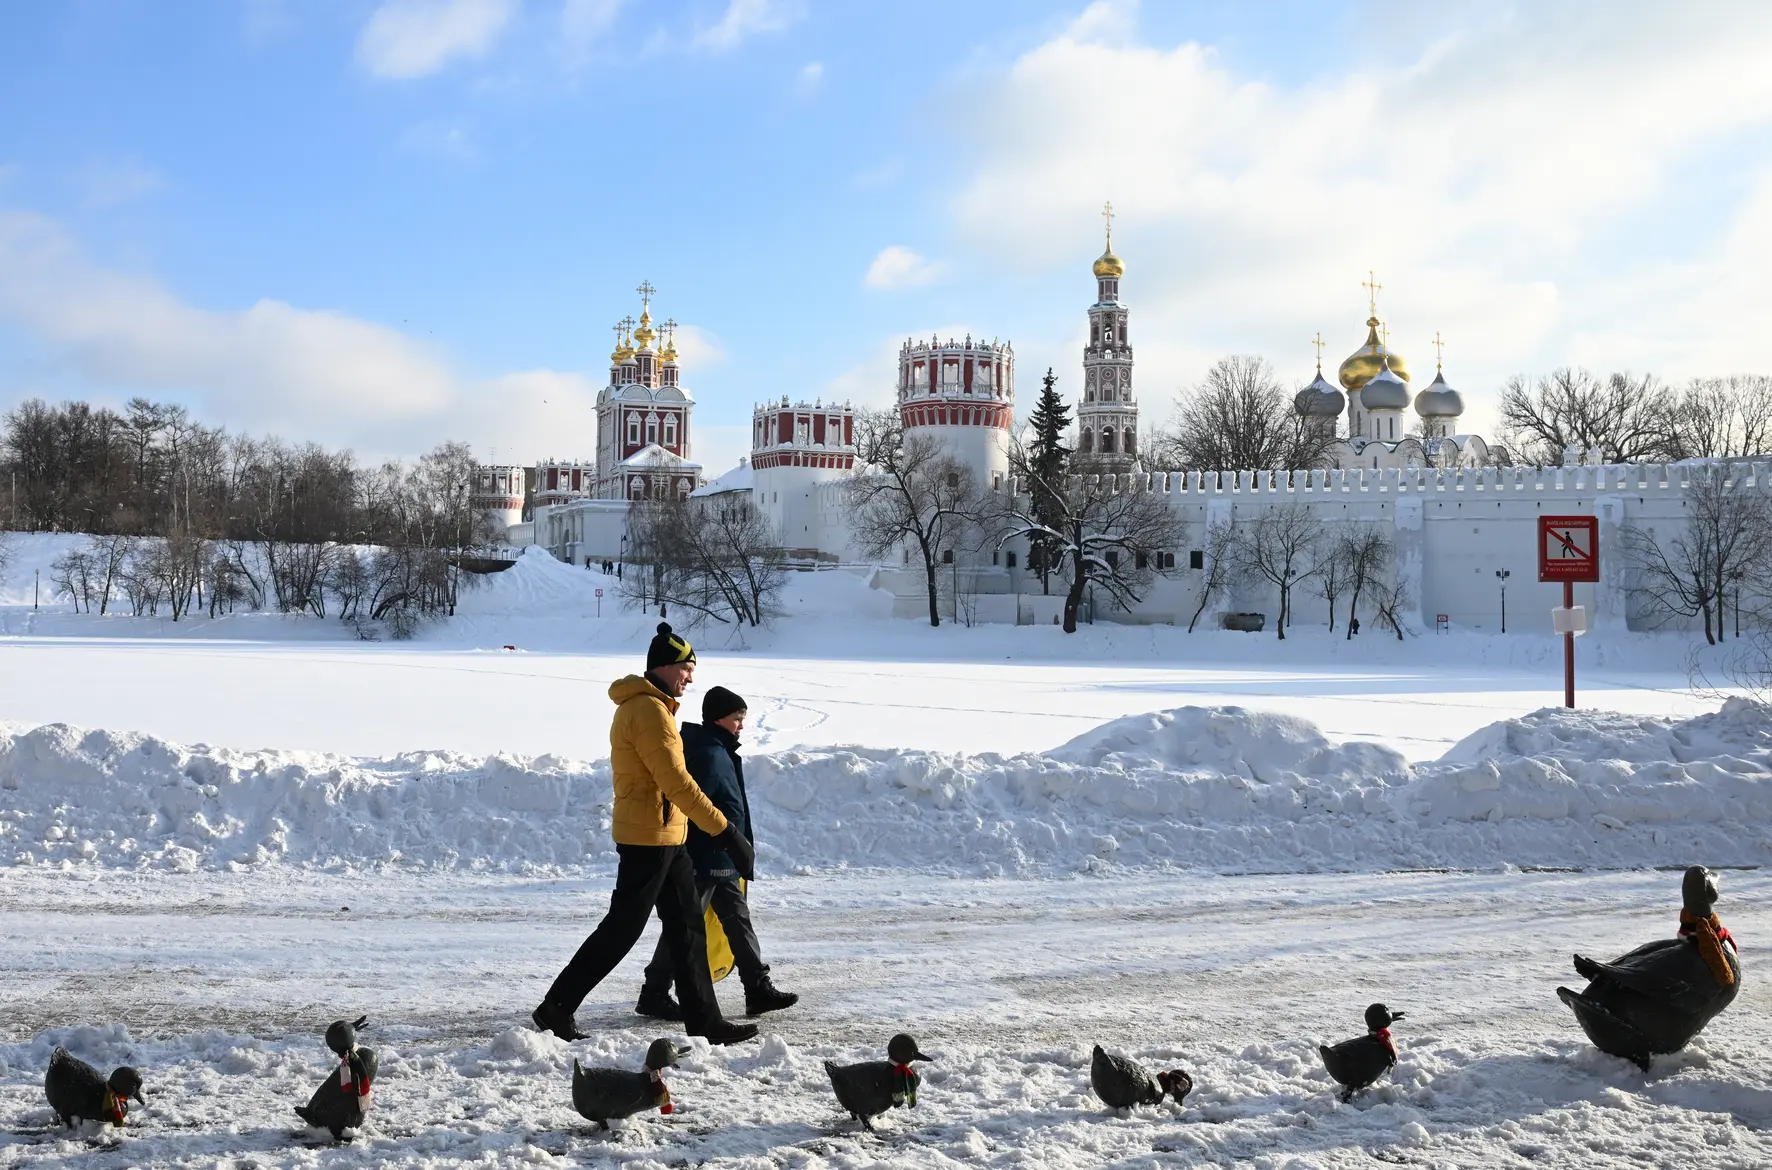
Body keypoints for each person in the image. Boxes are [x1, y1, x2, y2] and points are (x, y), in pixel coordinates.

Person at [532, 623, 759, 1046]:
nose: (691, 678)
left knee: (687, 926)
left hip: (667, 836)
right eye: (686, 668)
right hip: (648, 839)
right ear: (665, 666)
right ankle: (556, 1007)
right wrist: (726, 832)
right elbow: (676, 782)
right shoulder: (648, 711)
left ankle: (705, 1021)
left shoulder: (657, 707)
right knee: (622, 928)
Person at [635, 686, 799, 1020]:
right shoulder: (708, 753)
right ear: (717, 717)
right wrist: (721, 843)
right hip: (706, 856)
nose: (741, 725)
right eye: (737, 718)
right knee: (685, 923)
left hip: (721, 856)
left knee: (737, 919)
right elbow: (697, 806)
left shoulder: (716, 749)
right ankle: (654, 991)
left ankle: (757, 988)